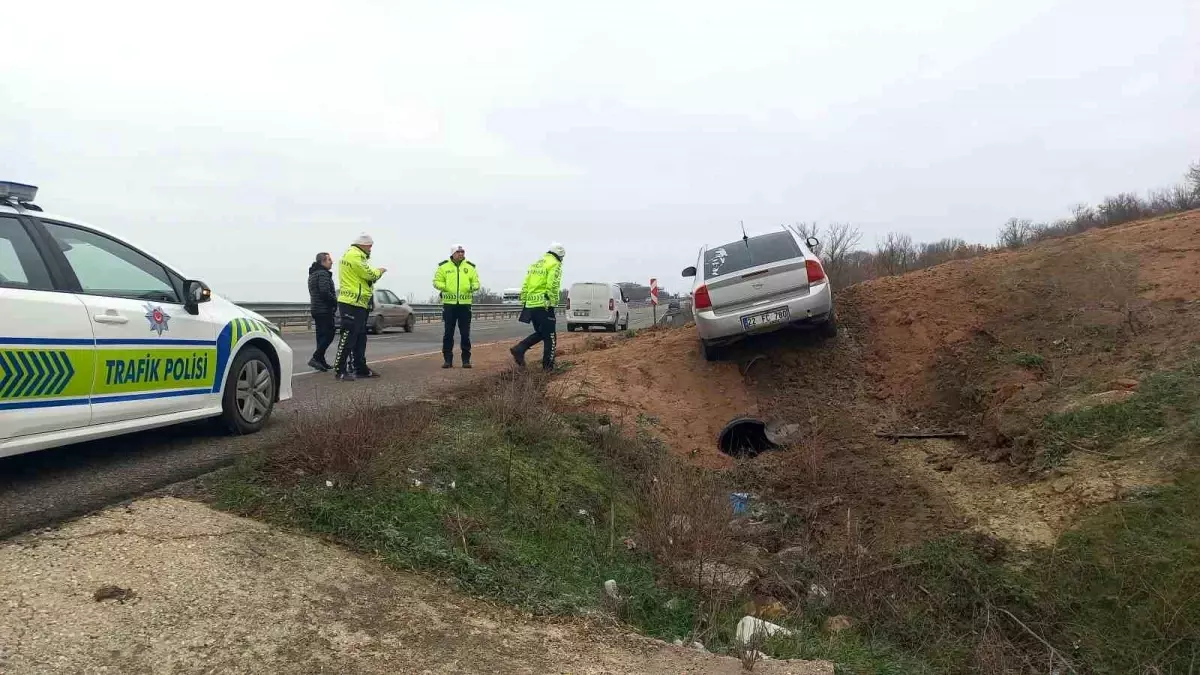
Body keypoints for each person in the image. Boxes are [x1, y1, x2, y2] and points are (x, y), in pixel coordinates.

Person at [331, 234, 386, 381]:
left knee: (360, 337)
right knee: (348, 337)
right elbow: (369, 275)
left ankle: (360, 368)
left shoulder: (356, 256)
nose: (370, 249)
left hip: (359, 302)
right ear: (363, 245)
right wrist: (380, 271)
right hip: (351, 303)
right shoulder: (354, 256)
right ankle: (340, 370)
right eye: (369, 246)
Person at [510, 242, 565, 372]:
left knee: (543, 333)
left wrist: (525, 300)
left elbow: (526, 283)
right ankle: (548, 368)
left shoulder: (536, 264)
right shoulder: (555, 264)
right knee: (550, 337)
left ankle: (520, 348)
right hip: (544, 304)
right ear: (560, 255)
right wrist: (552, 302)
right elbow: (552, 284)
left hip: (531, 304)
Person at [433, 244, 481, 368]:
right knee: (448, 333)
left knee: (465, 334)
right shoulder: (443, 267)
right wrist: (445, 287)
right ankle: (447, 360)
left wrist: (472, 287)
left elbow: (476, 282)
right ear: (453, 254)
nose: (461, 254)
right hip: (449, 305)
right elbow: (436, 281)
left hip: (465, 305)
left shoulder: (470, 267)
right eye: (458, 252)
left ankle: (466, 360)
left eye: (462, 252)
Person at [306, 252, 337, 371]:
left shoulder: (313, 274)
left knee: (321, 336)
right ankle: (316, 357)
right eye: (329, 260)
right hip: (324, 310)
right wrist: (335, 301)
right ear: (322, 261)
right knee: (330, 334)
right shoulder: (323, 274)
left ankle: (320, 361)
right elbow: (324, 292)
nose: (332, 262)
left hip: (316, 309)